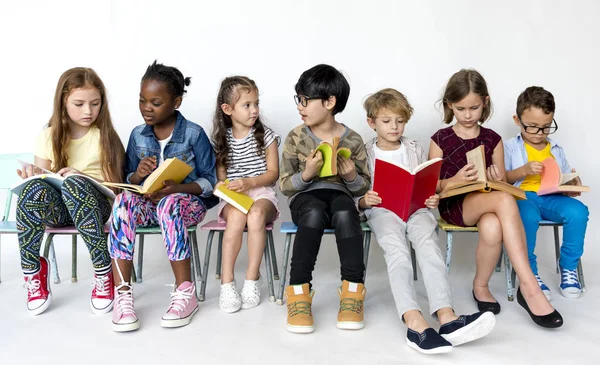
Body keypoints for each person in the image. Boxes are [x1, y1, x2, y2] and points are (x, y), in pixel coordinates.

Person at [429, 69, 562, 328]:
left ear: (485, 103)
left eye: (474, 108)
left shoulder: (493, 139)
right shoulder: (440, 139)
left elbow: (503, 185)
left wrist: (497, 177)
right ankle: (529, 286)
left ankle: (480, 286)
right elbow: (430, 187)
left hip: (486, 201)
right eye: (460, 109)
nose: (468, 115)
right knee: (502, 201)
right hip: (454, 205)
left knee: (493, 224)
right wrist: (453, 180)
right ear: (449, 106)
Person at [109, 60, 217, 331]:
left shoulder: (193, 134)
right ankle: (122, 294)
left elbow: (211, 182)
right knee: (122, 202)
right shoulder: (137, 135)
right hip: (150, 204)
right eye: (142, 100)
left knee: (169, 204)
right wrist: (138, 175)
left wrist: (177, 189)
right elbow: (128, 182)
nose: (147, 107)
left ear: (176, 102)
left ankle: (185, 291)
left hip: (188, 204)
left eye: (156, 102)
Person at [16, 67, 125, 316]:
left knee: (75, 184)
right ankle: (33, 272)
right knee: (33, 189)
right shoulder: (47, 136)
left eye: (95, 104)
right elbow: (45, 181)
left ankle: (102, 269)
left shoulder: (104, 137)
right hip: (60, 212)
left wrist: (82, 176)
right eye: (79, 104)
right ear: (63, 102)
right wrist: (33, 175)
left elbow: (116, 190)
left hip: (95, 209)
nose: (88, 111)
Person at [280, 64, 370, 333]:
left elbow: (363, 188)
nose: (300, 106)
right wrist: (306, 174)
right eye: (299, 99)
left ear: (330, 102)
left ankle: (353, 293)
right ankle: (298, 292)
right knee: (314, 212)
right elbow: (285, 185)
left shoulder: (352, 139)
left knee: (345, 212)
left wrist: (352, 175)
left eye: (306, 100)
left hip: (340, 196)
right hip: (305, 199)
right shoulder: (296, 137)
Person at [505, 86, 588, 300]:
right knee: (527, 218)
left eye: (546, 127)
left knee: (578, 212)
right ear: (517, 120)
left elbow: (564, 176)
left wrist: (572, 185)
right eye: (532, 127)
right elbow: (501, 180)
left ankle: (568, 268)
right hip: (523, 197)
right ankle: (530, 273)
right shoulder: (510, 147)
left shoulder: (556, 149)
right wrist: (523, 171)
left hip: (552, 198)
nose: (539, 133)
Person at [211, 76, 280, 313]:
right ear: (228, 109)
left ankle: (252, 279)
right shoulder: (222, 140)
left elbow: (273, 174)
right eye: (247, 105)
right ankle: (227, 283)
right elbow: (221, 179)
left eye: (256, 103)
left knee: (257, 214)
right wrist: (225, 186)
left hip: (261, 193)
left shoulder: (266, 136)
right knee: (239, 216)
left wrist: (249, 182)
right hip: (234, 198)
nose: (254, 110)